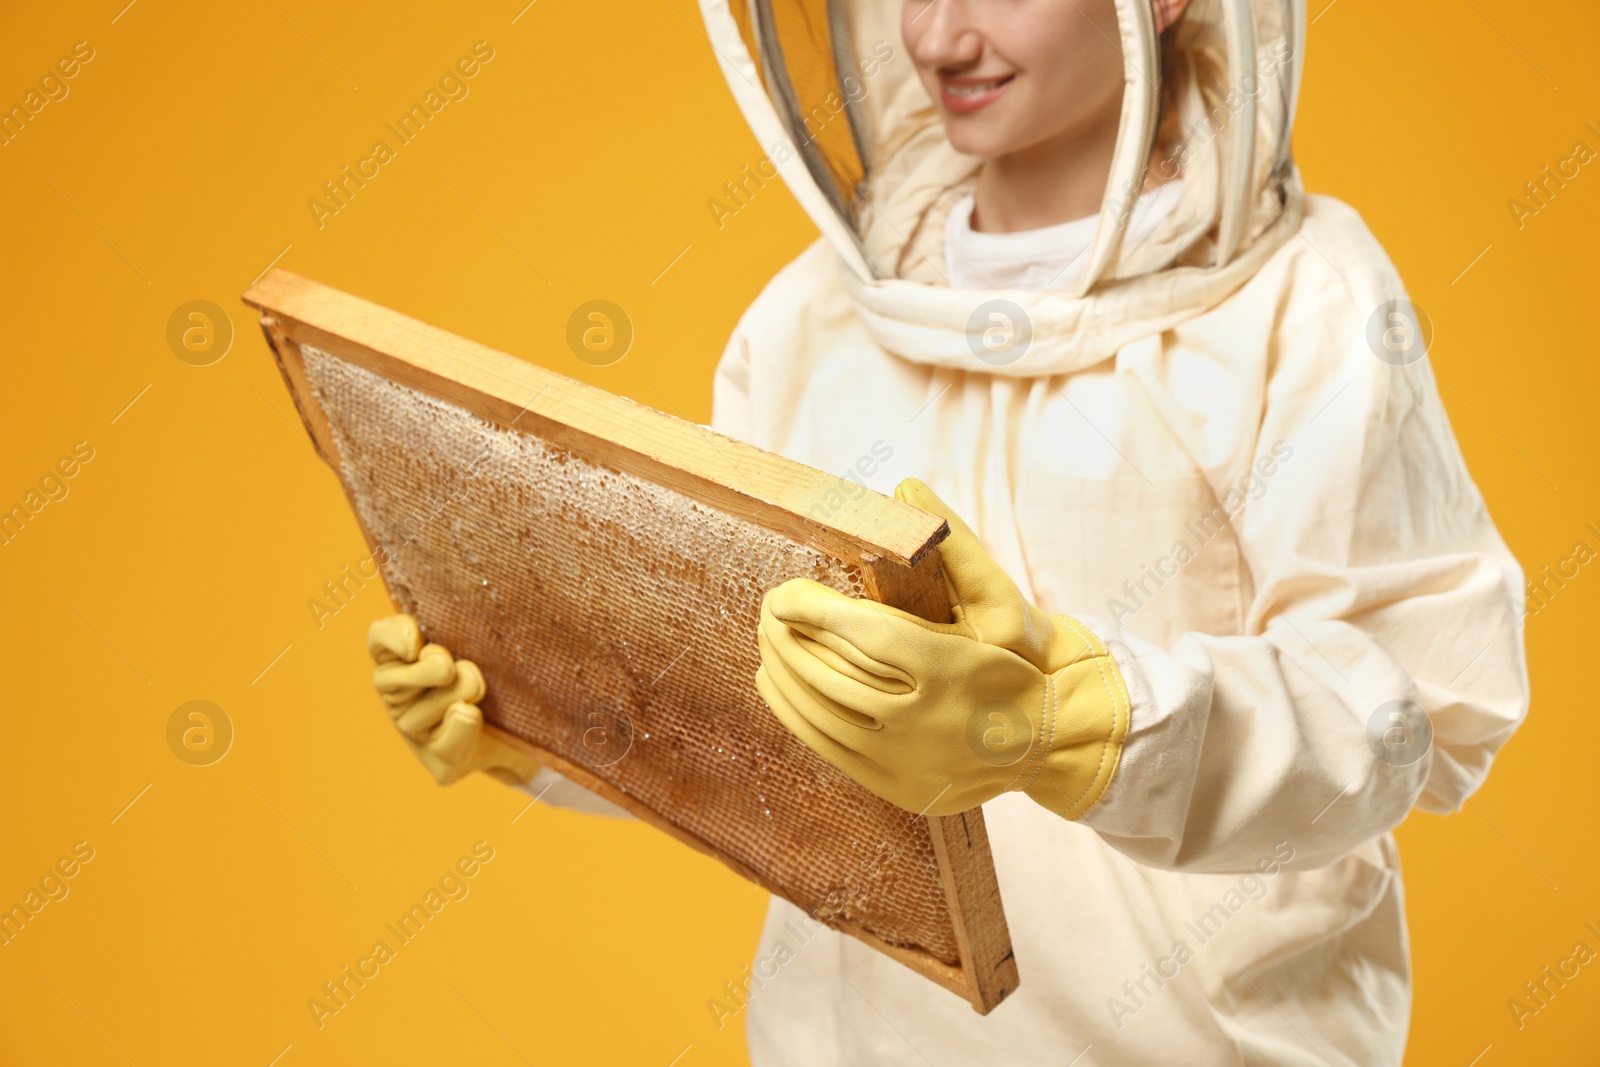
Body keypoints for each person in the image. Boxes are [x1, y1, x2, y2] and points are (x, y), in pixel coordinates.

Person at [367, 0, 1530, 1062]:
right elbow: (745, 706)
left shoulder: (1308, 300)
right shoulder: (804, 320)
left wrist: (1070, 728)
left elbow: (1410, 707)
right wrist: (546, 712)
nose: (935, 37)